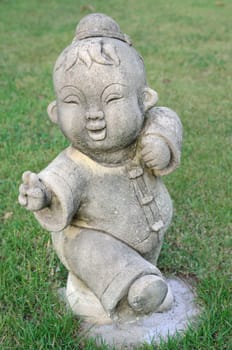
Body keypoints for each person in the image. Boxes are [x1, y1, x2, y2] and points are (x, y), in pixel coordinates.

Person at [18, 13, 182, 323]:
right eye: (74, 102)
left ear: (143, 99)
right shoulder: (75, 162)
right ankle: (134, 287)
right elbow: (56, 185)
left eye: (112, 98)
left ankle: (145, 279)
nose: (94, 115)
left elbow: (166, 118)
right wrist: (41, 195)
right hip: (94, 240)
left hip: (149, 231)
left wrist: (161, 143)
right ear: (55, 111)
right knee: (84, 245)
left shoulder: (149, 125)